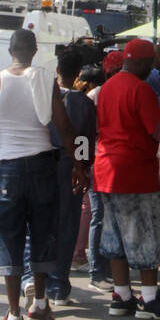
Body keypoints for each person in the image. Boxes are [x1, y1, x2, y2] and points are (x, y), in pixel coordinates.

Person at [0, 28, 89, 320]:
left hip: (9, 168)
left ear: (10, 51)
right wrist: (79, 165)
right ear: (35, 51)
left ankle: (14, 315)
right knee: (43, 233)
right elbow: (65, 128)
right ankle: (40, 302)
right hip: (42, 165)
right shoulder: (45, 82)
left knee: (9, 237)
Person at [93, 37, 160, 320]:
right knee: (144, 233)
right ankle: (149, 299)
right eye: (149, 64)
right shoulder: (142, 90)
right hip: (136, 171)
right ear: (138, 62)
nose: (151, 69)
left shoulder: (106, 88)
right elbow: (157, 132)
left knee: (114, 236)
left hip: (106, 170)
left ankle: (121, 295)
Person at [22, 45, 95, 308]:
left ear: (57, 71)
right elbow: (85, 141)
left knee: (38, 222)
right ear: (77, 73)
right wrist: (83, 167)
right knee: (66, 225)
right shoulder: (84, 104)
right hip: (69, 168)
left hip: (40, 163)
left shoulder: (40, 97)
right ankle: (57, 284)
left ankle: (31, 276)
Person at [72, 65, 111, 283]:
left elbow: (80, 135)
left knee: (87, 209)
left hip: (87, 159)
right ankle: (91, 265)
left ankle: (79, 255)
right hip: (95, 159)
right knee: (95, 213)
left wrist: (80, 163)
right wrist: (82, 165)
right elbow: (84, 133)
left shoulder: (82, 98)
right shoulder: (93, 97)